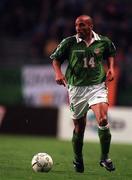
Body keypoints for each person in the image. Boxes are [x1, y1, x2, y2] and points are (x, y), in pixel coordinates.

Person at [50, 15, 116, 173]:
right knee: (79, 128)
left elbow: (110, 53)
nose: (78, 28)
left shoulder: (103, 41)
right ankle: (78, 158)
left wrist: (111, 67)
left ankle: (105, 157)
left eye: (81, 25)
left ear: (90, 26)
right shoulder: (69, 42)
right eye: (76, 25)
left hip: (97, 86)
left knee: (103, 119)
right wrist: (58, 73)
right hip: (76, 89)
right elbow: (56, 59)